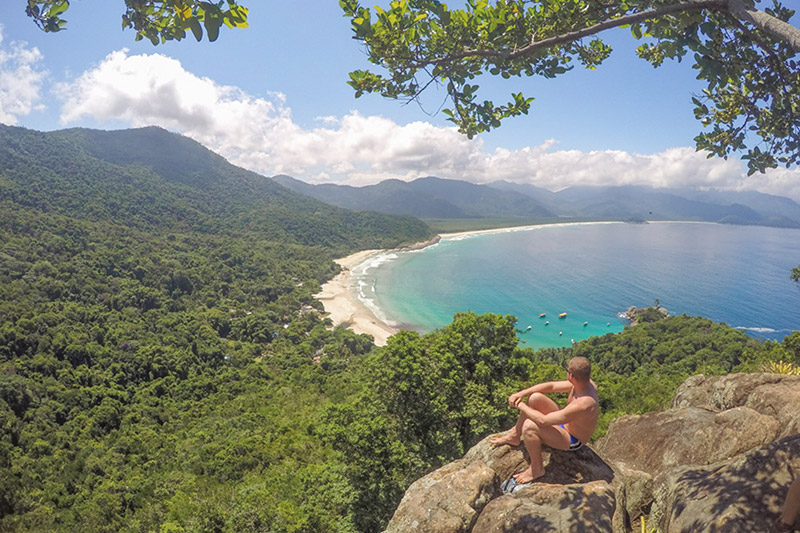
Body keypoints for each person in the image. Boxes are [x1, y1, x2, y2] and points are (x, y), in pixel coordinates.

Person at [491, 356, 599, 484]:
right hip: (564, 423)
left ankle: (536, 469)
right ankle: (515, 435)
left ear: (570, 375)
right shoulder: (584, 383)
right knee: (534, 398)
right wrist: (522, 393)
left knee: (529, 426)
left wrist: (519, 404)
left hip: (571, 439)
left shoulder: (584, 404)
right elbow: (552, 386)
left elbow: (543, 421)